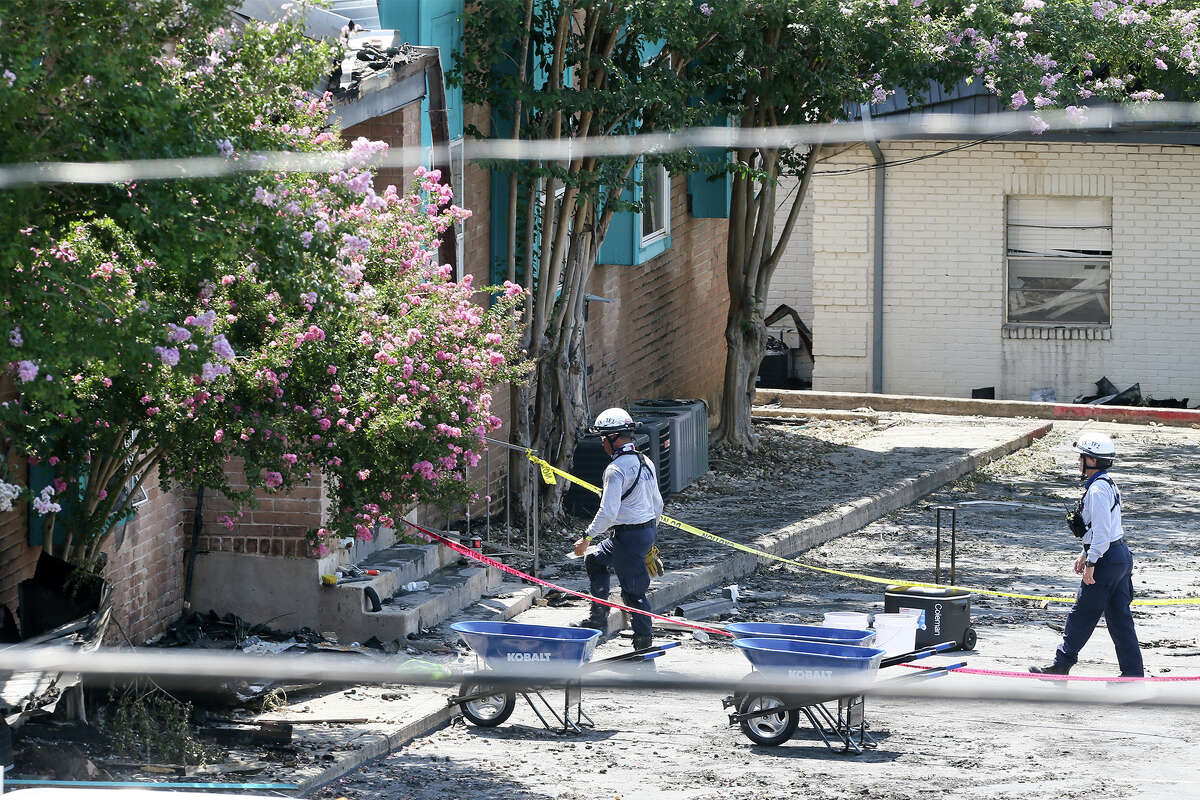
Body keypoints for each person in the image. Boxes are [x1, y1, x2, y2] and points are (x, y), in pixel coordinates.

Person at [1030, 432, 1144, 678]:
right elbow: (1101, 529)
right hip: (1119, 555)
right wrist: (1085, 552)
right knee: (1120, 620)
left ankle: (1062, 664)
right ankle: (1133, 674)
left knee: (1081, 614)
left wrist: (1092, 561)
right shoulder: (1107, 483)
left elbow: (1101, 532)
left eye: (1082, 457)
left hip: (1106, 559)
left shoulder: (1097, 491)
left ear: (1092, 460)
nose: (1078, 461)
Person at [571, 407, 664, 650]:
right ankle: (598, 618)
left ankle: (643, 642)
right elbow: (658, 503)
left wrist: (586, 537)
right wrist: (649, 537)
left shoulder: (615, 470)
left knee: (634, 592)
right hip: (641, 533)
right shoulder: (646, 461)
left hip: (629, 537)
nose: (602, 443)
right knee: (596, 561)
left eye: (603, 438)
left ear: (614, 438)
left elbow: (608, 512)